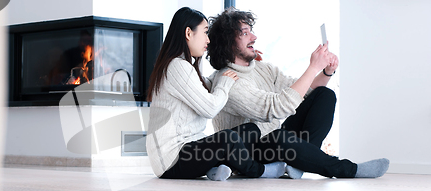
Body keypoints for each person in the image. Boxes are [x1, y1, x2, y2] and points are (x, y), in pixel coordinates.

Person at [206, 7, 389, 179]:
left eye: (250, 31)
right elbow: (275, 109)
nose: (254, 37)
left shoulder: (263, 69)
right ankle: (349, 169)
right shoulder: (228, 80)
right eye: (245, 33)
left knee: (324, 95)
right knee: (279, 138)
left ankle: (299, 164)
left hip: (275, 142)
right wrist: (313, 66)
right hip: (247, 153)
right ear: (228, 43)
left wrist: (326, 71)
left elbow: (302, 92)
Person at [146, 7, 287, 181]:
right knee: (228, 138)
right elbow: (210, 108)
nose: (208, 39)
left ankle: (215, 169)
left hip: (188, 151)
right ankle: (261, 170)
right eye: (205, 33)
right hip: (172, 160)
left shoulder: (181, 66)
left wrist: (244, 62)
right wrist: (225, 83)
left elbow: (207, 87)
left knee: (250, 130)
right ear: (189, 33)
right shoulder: (177, 66)